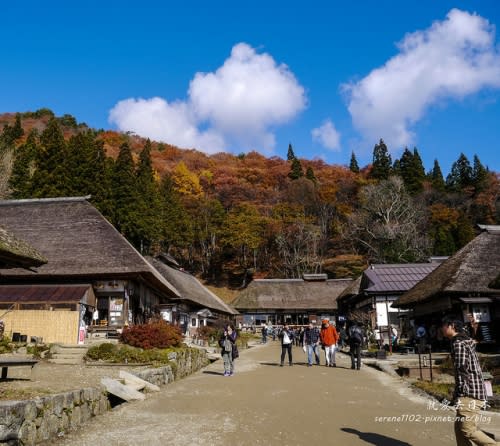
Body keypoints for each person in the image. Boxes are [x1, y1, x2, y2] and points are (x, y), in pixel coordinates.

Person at [441, 315, 497, 446]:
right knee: (460, 430)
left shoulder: (458, 343)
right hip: (473, 390)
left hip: (469, 393)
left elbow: (462, 371)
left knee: (467, 430)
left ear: (451, 326)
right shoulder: (464, 341)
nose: (441, 329)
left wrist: (460, 395)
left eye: (443, 326)